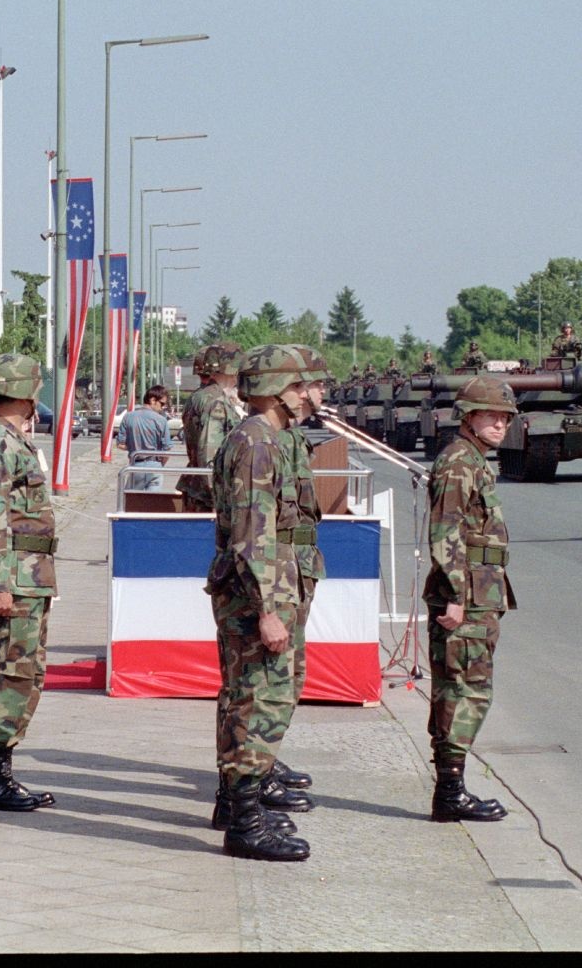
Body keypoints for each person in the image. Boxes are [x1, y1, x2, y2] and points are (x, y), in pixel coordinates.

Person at [205, 344, 321, 862]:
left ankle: (236, 806)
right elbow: (253, 536)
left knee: (246, 699)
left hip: (257, 589)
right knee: (259, 702)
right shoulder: (256, 443)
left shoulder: (260, 438)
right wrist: (269, 609)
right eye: (298, 386)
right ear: (276, 390)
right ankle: (246, 824)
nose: (306, 394)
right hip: (258, 595)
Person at [422, 375, 519, 823]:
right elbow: (445, 533)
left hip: (479, 591)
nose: (500, 424)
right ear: (469, 417)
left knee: (463, 688)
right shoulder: (460, 463)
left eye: (505, 417)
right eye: (491, 416)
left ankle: (451, 789)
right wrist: (456, 597)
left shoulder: (472, 459)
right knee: (465, 689)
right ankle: (451, 792)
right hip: (467, 597)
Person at [0, 353, 59, 812]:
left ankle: (0, 771)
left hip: (30, 578)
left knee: (23, 674)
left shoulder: (11, 440)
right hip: (15, 581)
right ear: (26, 393)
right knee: (4, 673)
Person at [179, 343, 243, 511]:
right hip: (208, 496)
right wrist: (218, 499)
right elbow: (209, 454)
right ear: (231, 371)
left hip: (197, 488)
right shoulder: (217, 402)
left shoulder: (200, 395)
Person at [117, 385, 173, 492]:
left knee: (131, 502)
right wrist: (160, 464)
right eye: (162, 404)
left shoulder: (128, 417)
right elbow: (167, 449)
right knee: (152, 504)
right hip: (155, 465)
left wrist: (133, 446)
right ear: (152, 400)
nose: (162, 407)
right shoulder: (161, 420)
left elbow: (120, 444)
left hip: (136, 464)